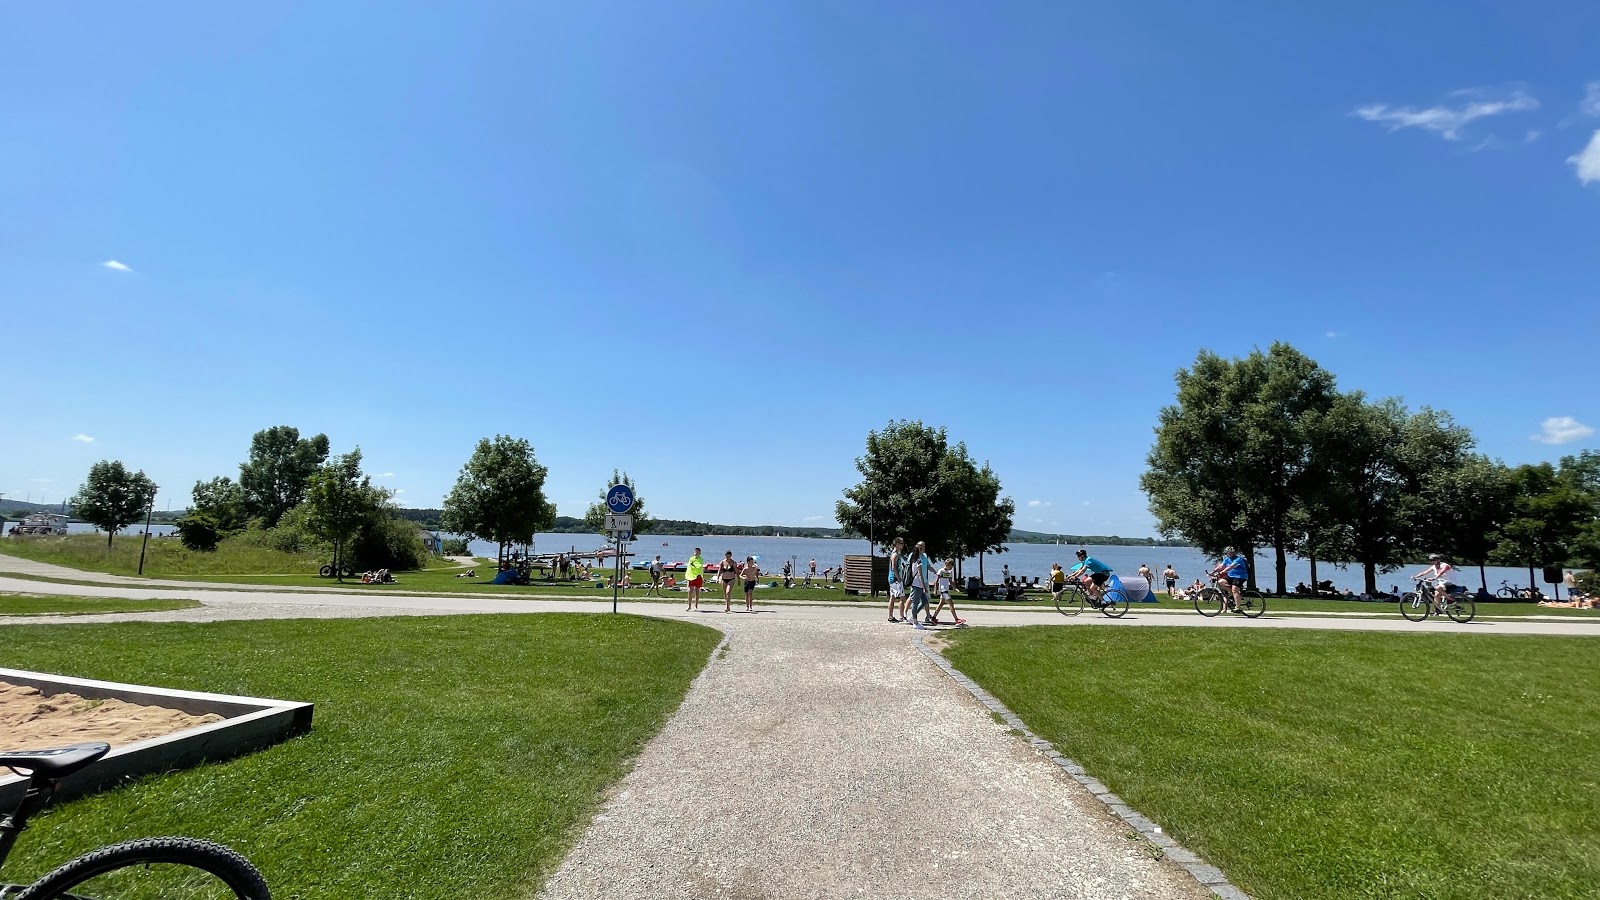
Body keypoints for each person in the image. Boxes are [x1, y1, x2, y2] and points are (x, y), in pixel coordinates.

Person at [906, 541, 935, 629]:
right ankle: (915, 621)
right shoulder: (917, 560)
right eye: (922, 547)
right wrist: (923, 587)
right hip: (917, 584)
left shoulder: (921, 558)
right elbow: (920, 574)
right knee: (915, 602)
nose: (923, 548)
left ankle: (912, 617)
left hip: (920, 583)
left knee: (925, 601)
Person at [930, 558, 967, 626]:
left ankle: (933, 618)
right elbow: (936, 581)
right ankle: (956, 619)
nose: (952, 567)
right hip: (943, 590)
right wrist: (935, 590)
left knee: (940, 604)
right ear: (947, 564)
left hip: (946, 590)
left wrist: (955, 588)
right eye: (951, 566)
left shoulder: (949, 572)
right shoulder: (941, 571)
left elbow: (950, 581)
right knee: (951, 604)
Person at [886, 537, 906, 623]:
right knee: (902, 597)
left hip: (892, 578)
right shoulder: (895, 555)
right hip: (895, 579)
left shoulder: (895, 554)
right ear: (897, 544)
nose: (903, 545)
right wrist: (899, 578)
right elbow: (894, 567)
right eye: (901, 543)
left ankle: (890, 616)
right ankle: (902, 616)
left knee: (893, 597)